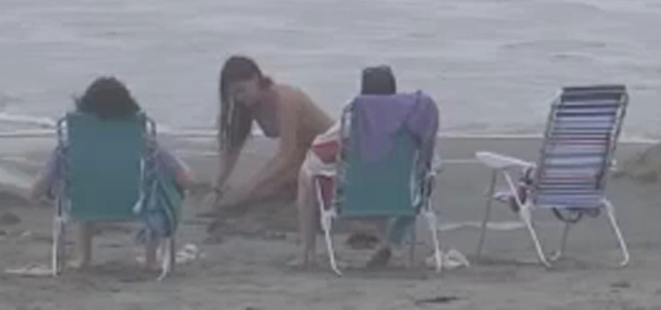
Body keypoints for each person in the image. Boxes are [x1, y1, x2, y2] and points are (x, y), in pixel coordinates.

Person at [30, 76, 195, 271]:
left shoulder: (71, 147)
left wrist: (46, 191)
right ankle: (151, 258)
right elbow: (185, 180)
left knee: (82, 186)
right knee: (155, 187)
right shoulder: (144, 144)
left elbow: (37, 190)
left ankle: (84, 257)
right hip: (137, 205)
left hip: (85, 204)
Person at [295, 64, 405, 268]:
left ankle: (307, 251)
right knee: (389, 178)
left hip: (354, 201)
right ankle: (388, 243)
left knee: (307, 172)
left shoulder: (354, 119)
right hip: (400, 199)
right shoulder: (408, 120)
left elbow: (319, 150)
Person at [212, 55, 334, 213]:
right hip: (303, 153)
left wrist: (249, 187)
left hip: (331, 150)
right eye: (234, 94)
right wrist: (217, 186)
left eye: (242, 90)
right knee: (260, 193)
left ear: (256, 79)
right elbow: (233, 147)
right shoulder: (248, 105)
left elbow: (285, 154)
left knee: (255, 192)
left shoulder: (285, 99)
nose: (240, 98)